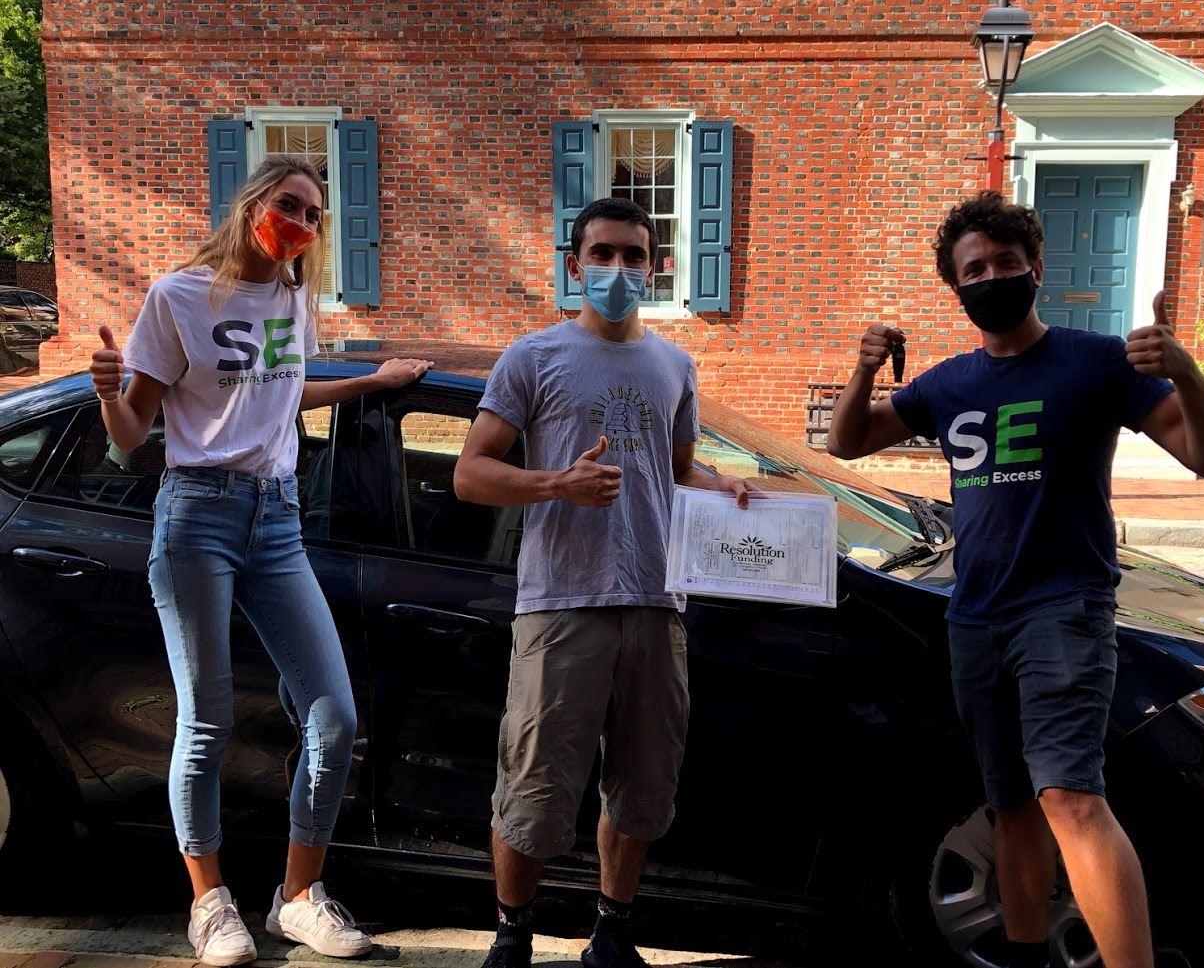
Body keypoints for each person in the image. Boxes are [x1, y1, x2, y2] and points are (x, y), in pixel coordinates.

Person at [827, 191, 1204, 968]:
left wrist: (1184, 369)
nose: (991, 277)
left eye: (1005, 263)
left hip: (1064, 609)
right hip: (974, 617)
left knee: (1071, 798)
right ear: (956, 288)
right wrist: (864, 367)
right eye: (973, 269)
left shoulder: (1097, 361)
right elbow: (849, 442)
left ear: (1036, 270)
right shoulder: (946, 384)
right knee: (1010, 804)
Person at [88, 155, 432, 967]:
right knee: (205, 719)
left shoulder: (289, 293)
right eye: (290, 206)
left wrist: (369, 381)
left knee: (335, 717)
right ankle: (210, 904)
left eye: (314, 216)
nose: (302, 225)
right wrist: (110, 387)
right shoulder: (177, 297)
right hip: (196, 516)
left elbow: (281, 386)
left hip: (278, 522)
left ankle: (298, 896)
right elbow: (131, 435)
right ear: (251, 205)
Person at [454, 197, 753, 968]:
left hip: (658, 601)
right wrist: (557, 483)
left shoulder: (675, 364)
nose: (617, 269)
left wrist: (725, 484)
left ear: (655, 267)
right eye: (602, 254)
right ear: (572, 264)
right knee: (534, 785)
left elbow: (678, 464)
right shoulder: (533, 356)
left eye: (632, 255)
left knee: (644, 785)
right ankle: (512, 933)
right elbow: (470, 473)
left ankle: (613, 931)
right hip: (561, 601)